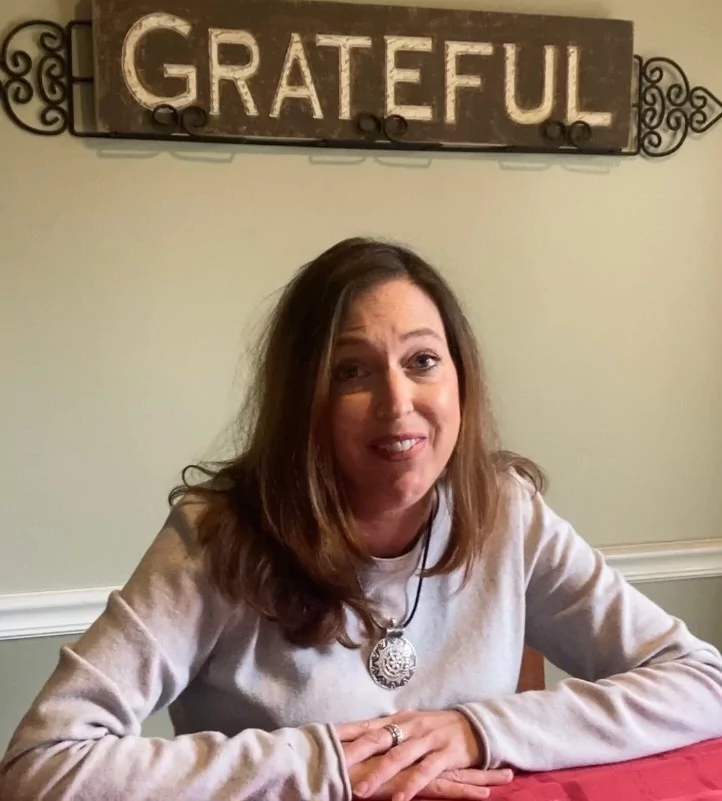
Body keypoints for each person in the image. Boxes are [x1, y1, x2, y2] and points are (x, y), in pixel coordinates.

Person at [1, 237, 722, 801]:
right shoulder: (217, 536)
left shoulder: (506, 511)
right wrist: (322, 762)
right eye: (351, 371)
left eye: (423, 360)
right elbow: (42, 766)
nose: (397, 401)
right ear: (303, 402)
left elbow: (702, 681)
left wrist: (479, 728)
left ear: (461, 381)